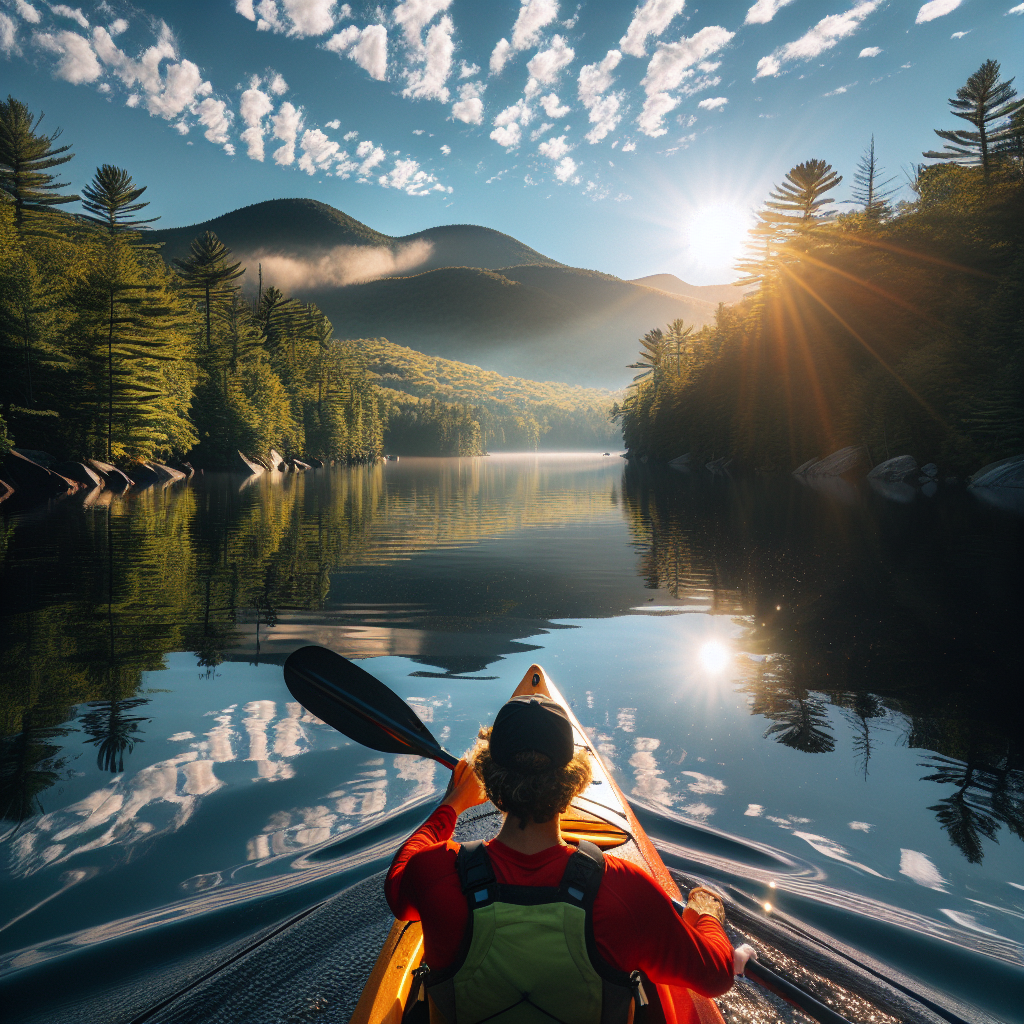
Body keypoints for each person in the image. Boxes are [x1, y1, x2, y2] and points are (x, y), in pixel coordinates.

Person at [386, 694, 748, 1024]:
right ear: (574, 782)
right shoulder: (626, 889)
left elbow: (399, 887)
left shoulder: (434, 872)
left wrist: (453, 803)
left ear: (489, 779)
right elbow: (717, 976)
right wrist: (705, 913)